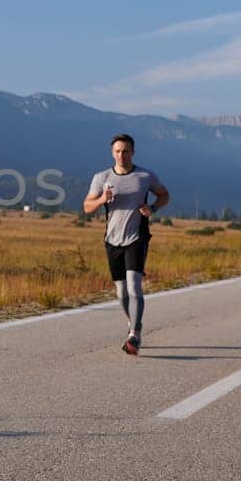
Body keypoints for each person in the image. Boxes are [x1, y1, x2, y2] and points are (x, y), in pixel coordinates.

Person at [84, 134, 169, 355]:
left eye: (126, 151)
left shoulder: (145, 176)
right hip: (112, 238)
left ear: (133, 152)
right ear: (112, 153)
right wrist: (102, 199)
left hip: (136, 237)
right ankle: (132, 322)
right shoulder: (101, 177)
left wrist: (152, 209)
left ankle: (135, 334)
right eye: (118, 151)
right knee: (121, 290)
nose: (122, 155)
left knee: (134, 285)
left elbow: (164, 195)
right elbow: (87, 207)